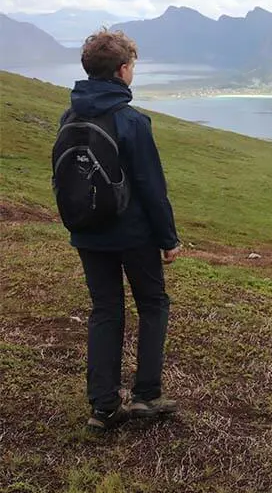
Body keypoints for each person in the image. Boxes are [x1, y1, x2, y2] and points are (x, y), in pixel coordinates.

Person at [58, 29, 182, 432]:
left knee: (105, 311)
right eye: (132, 66)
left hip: (87, 233)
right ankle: (147, 394)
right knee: (153, 304)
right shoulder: (132, 122)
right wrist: (168, 240)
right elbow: (151, 187)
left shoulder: (70, 116)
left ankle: (104, 407)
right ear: (123, 70)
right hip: (134, 236)